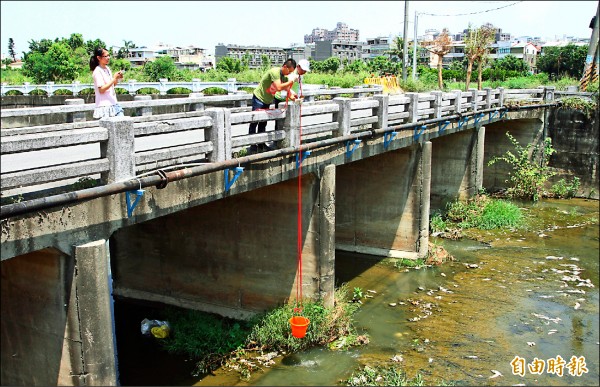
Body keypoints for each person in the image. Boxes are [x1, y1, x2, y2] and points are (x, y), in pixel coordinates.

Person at [247, 58, 298, 153]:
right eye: (289, 71)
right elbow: (278, 87)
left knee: (263, 123)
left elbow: (287, 90)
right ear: (285, 66)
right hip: (259, 98)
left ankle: (261, 144)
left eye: (291, 72)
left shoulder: (284, 77)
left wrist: (294, 98)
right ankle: (253, 146)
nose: (289, 74)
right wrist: (291, 81)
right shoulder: (275, 72)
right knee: (254, 121)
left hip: (267, 101)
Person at [90, 47, 124, 119]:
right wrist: (114, 78)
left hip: (113, 103)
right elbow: (101, 89)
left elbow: (111, 86)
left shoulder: (107, 69)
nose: (108, 58)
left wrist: (117, 79)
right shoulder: (97, 71)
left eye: (109, 55)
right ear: (99, 58)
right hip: (104, 105)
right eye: (106, 56)